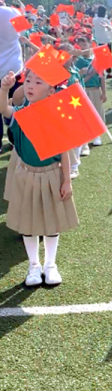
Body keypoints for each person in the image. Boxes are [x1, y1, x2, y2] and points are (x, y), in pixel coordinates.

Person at [0, 70, 79, 286]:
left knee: (52, 222)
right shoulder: (21, 113)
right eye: (28, 81)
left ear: (51, 90)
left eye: (38, 82)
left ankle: (50, 265)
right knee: (28, 223)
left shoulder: (56, 116)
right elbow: (3, 109)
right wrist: (4, 89)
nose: (30, 85)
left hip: (52, 173)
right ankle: (34, 265)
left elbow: (64, 152)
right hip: (26, 174)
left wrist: (67, 181)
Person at [0, 0, 24, 149]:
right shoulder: (12, 12)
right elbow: (23, 33)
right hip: (13, 68)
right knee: (15, 106)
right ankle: (16, 139)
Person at [92, 5, 112, 78]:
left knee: (99, 58)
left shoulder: (94, 20)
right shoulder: (106, 21)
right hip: (106, 40)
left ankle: (100, 72)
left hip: (98, 40)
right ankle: (109, 73)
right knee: (107, 57)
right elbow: (111, 29)